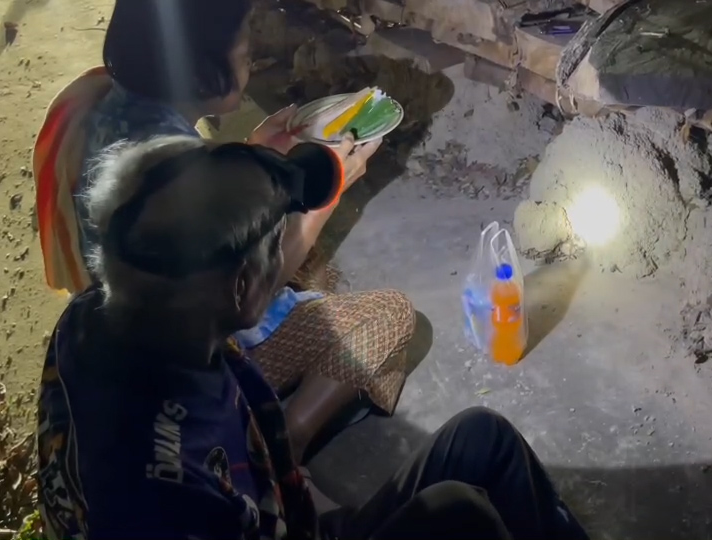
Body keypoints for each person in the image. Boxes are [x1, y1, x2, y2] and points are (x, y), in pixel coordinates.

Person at [36, 136, 589, 540]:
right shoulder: (165, 494)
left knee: (482, 439)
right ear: (240, 288)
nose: (286, 262)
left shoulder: (107, 313)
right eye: (275, 248)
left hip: (286, 521)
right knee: (459, 514)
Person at [32, 0, 415, 458]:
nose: (251, 56)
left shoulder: (104, 104)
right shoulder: (178, 174)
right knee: (391, 314)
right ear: (198, 72)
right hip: (182, 367)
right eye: (243, 49)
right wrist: (329, 189)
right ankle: (279, 440)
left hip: (120, 324)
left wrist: (253, 150)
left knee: (317, 269)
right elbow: (245, 297)